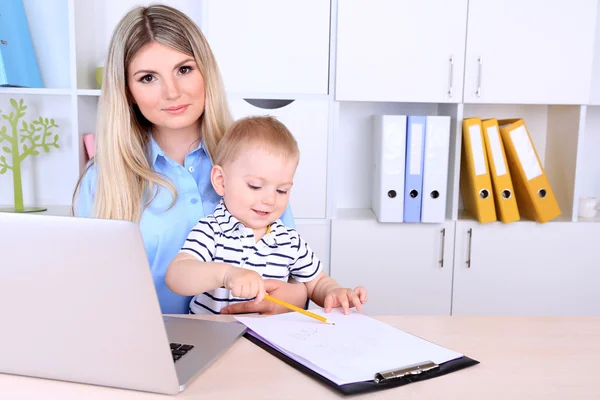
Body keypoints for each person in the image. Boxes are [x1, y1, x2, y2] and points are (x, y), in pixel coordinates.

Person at [71, 4, 308, 315]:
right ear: (127, 90)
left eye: (184, 70)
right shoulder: (103, 179)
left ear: (205, 72)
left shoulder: (253, 163)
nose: (172, 92)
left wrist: (291, 301)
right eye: (147, 78)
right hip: (149, 348)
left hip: (249, 344)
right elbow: (90, 295)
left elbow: (296, 277)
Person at [165, 116, 368, 315]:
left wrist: (334, 293)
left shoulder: (289, 240)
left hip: (268, 339)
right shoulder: (212, 230)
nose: (270, 200)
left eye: (282, 191)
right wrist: (226, 275)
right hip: (213, 336)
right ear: (221, 181)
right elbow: (177, 275)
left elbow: (317, 283)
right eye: (255, 186)